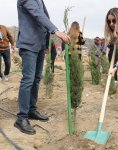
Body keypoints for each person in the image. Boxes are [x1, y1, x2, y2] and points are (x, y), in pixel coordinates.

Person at [15, 0, 70, 135]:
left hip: (39, 45)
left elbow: (44, 18)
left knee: (37, 78)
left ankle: (31, 110)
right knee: (28, 80)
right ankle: (21, 118)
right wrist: (56, 31)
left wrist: (46, 43)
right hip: (29, 44)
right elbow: (38, 15)